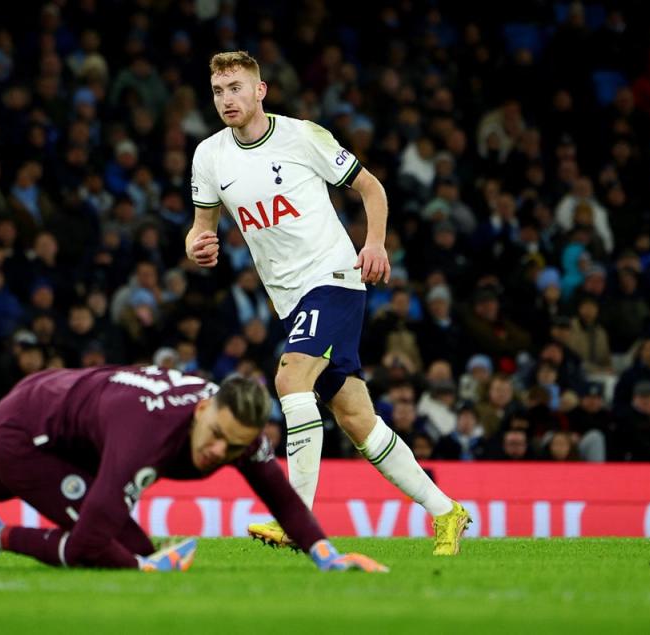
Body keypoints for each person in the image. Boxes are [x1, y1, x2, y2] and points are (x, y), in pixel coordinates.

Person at [0, 287, 388, 573]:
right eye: (215, 436)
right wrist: (145, 571)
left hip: (68, 405)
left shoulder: (238, 426)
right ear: (202, 408)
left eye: (232, 447)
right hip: (29, 427)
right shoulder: (146, 434)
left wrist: (328, 557)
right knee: (114, 547)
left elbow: (283, 499)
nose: (217, 452)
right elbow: (85, 545)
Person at [185, 51, 468, 555]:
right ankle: (448, 511)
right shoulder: (209, 155)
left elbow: (371, 187)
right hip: (288, 297)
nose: (227, 99)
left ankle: (298, 520)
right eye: (218, 91)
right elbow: (202, 227)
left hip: (333, 277)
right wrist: (195, 243)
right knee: (357, 419)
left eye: (236, 88)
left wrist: (375, 243)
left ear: (261, 90)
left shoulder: (302, 136)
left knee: (290, 378)